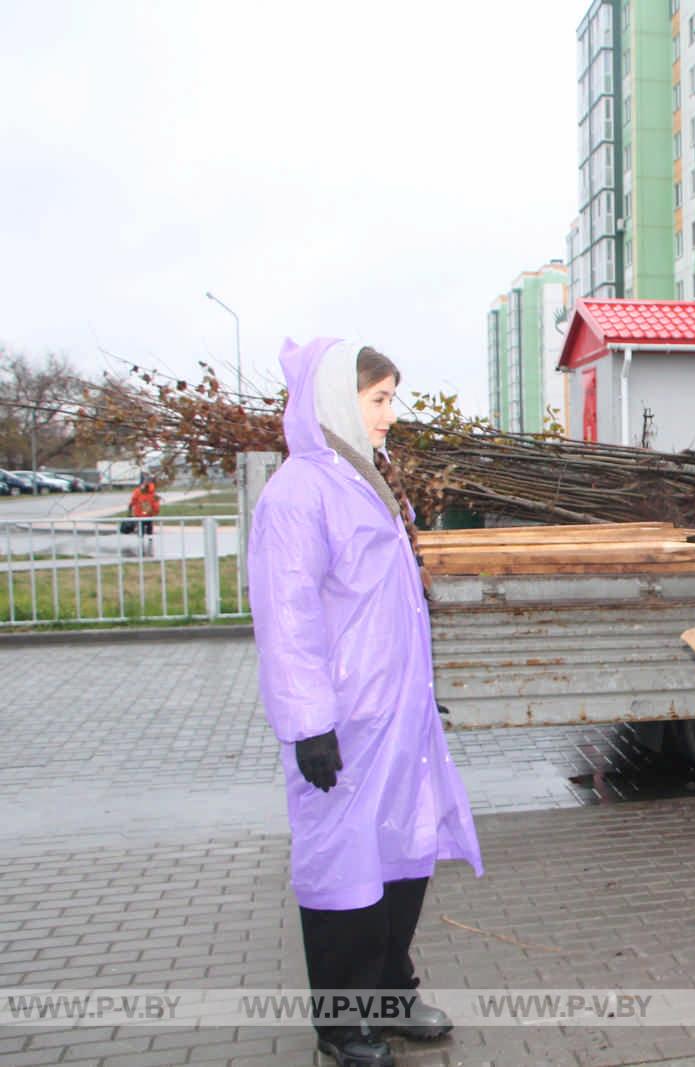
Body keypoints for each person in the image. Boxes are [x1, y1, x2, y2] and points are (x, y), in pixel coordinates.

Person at [250, 338, 483, 1067]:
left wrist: (418, 694)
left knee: (402, 855)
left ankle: (389, 992)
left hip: (396, 717)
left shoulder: (370, 479)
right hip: (344, 723)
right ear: (334, 400)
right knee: (342, 869)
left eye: (390, 398)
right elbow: (286, 617)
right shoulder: (298, 494)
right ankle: (342, 1022)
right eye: (378, 399)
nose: (390, 414)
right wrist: (309, 725)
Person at [128, 476, 161, 554]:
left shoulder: (138, 491)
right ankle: (150, 544)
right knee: (149, 528)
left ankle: (141, 547)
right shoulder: (153, 492)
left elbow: (133, 500)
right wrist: (155, 512)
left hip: (139, 514)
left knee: (141, 529)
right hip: (148, 514)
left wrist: (130, 507)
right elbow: (156, 505)